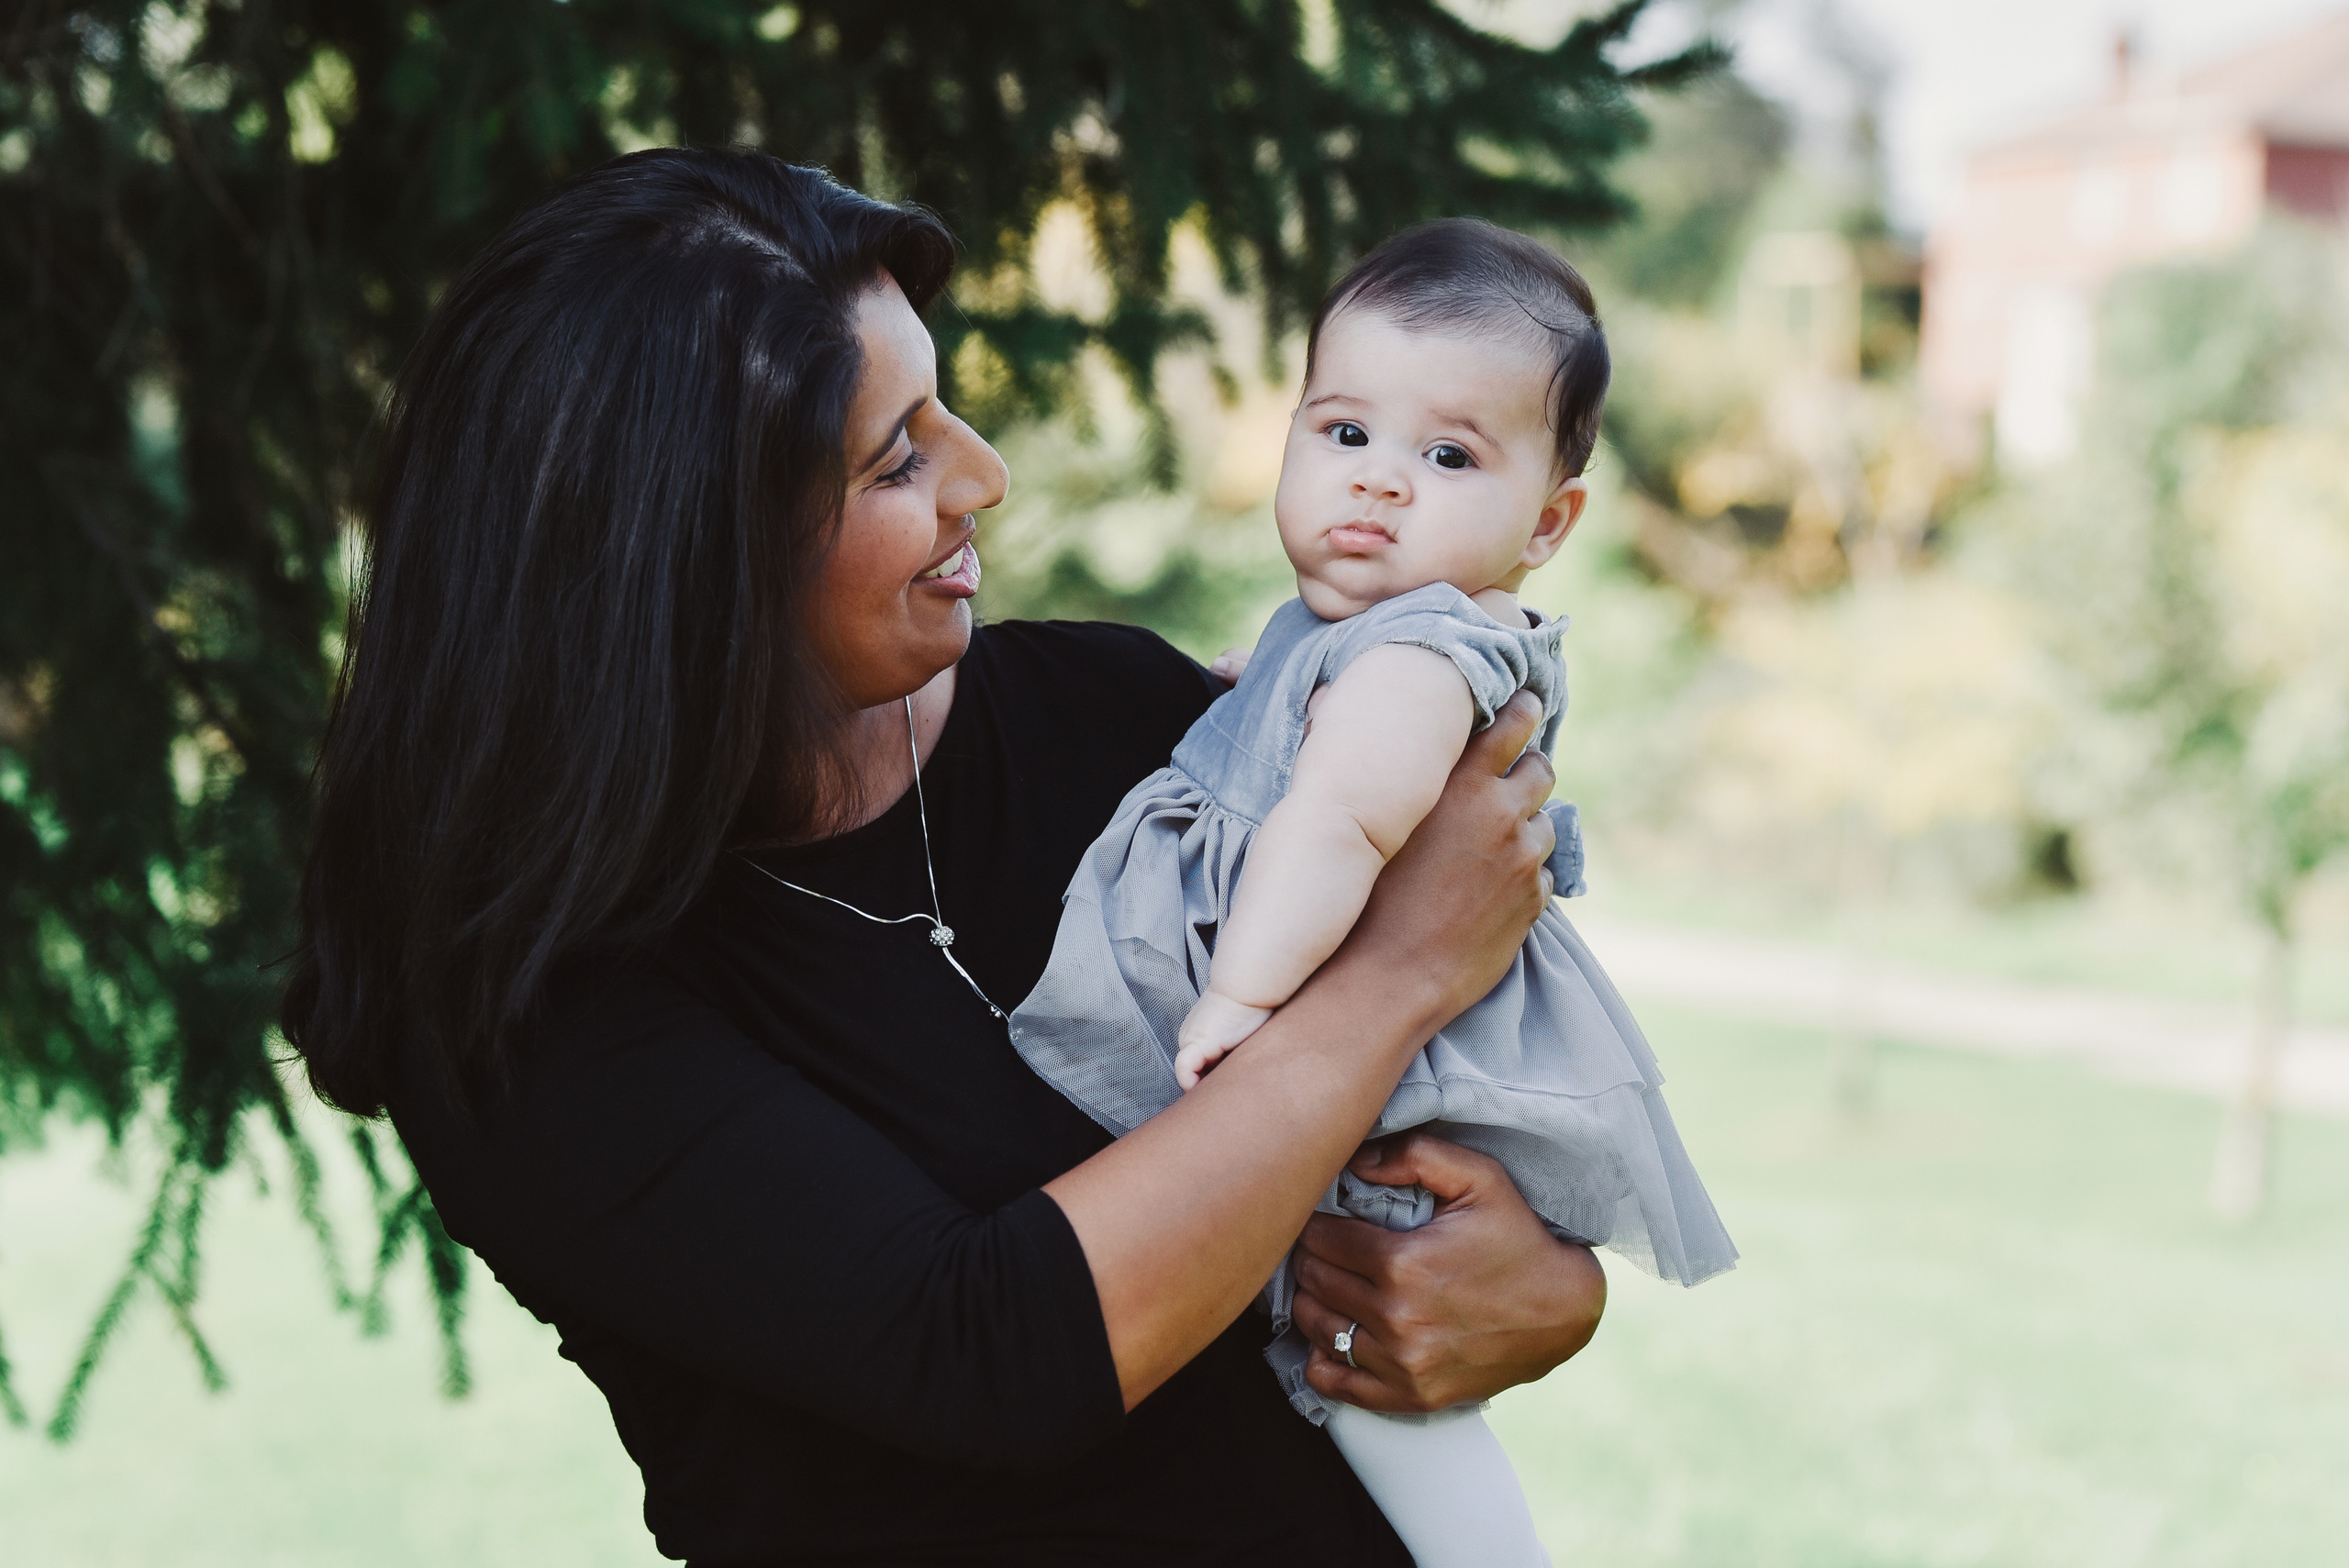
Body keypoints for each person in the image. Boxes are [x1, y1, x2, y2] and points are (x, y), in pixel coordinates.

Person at [280, 147, 1608, 1566]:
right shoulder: (518, 1008)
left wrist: (1540, 1286)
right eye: (897, 453)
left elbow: (1441, 1124)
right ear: (691, 552)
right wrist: (1399, 970)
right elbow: (985, 1351)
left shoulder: (1118, 714)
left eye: (946, 406)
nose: (986, 474)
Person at [1009, 220, 1739, 1567]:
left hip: (1389, 1097)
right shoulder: (1358, 636)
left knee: (1377, 1377)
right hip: (1357, 1074)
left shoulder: (1414, 661)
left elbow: (1340, 819)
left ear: (1549, 521)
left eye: (1448, 455)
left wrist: (1239, 992)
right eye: (1344, 432)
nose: (1380, 484)